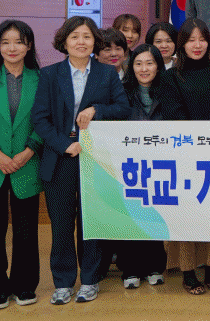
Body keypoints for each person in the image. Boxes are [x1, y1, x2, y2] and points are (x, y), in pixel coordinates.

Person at [31, 16, 129, 305]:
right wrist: (65, 145)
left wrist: (96, 109)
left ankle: (89, 279)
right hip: (60, 157)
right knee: (61, 224)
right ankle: (62, 282)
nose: (81, 42)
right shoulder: (50, 75)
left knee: (91, 222)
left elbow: (122, 108)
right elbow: (40, 119)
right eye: (74, 36)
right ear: (64, 42)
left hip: (95, 157)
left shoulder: (106, 73)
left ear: (95, 42)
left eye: (87, 36)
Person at [159, 18, 210, 296]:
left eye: (202, 39)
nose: (197, 45)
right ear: (182, 44)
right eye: (191, 40)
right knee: (187, 215)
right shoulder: (170, 77)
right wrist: (196, 143)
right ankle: (188, 272)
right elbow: (173, 115)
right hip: (184, 155)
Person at [116, 43, 169, 290]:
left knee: (155, 214)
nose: (144, 68)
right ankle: (130, 269)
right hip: (128, 163)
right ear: (131, 66)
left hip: (160, 163)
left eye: (149, 63)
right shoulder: (121, 92)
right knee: (130, 215)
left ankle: (155, 266)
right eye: (138, 63)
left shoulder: (168, 91)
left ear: (158, 66)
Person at [0, 20, 42, 306]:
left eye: (18, 42)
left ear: (28, 45)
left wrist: (29, 150)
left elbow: (47, 118)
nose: (12, 48)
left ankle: (25, 284)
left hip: (28, 162)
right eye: (5, 42)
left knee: (26, 229)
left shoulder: (41, 79)